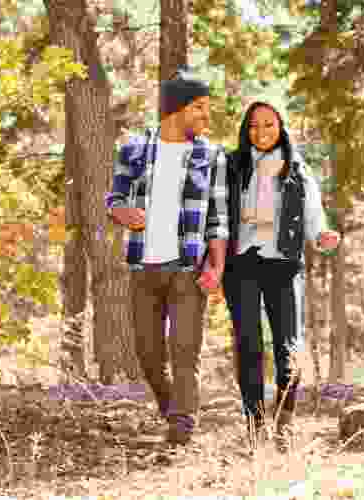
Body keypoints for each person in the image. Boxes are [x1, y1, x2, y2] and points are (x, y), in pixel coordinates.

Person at [105, 66, 229, 446]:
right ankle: (172, 409)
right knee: (148, 354)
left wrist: (217, 264)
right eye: (200, 108)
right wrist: (122, 212)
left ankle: (181, 431)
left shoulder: (212, 155)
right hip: (144, 267)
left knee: (185, 352)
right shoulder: (134, 150)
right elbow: (114, 199)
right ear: (176, 109)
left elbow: (219, 218)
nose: (207, 117)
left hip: (187, 268)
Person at [223, 101, 340, 452]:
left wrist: (321, 235)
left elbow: (313, 211)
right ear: (246, 129)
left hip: (284, 263)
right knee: (248, 343)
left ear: (281, 127)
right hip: (240, 263)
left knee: (289, 344)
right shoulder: (231, 165)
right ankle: (254, 422)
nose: (261, 133)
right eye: (254, 126)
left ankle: (284, 420)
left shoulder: (296, 167)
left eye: (269, 125)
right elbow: (216, 209)